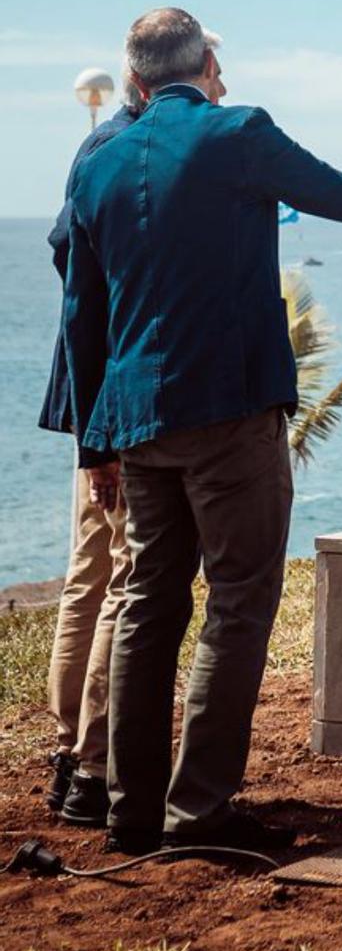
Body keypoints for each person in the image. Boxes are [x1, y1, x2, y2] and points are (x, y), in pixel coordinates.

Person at [62, 8, 342, 856]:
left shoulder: (95, 160)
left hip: (135, 420)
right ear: (208, 61)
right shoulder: (238, 132)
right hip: (230, 413)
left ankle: (131, 813)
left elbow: (83, 316)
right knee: (240, 605)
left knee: (145, 606)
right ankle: (199, 815)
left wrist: (93, 446)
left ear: (135, 82)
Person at [40, 64, 149, 824]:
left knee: (93, 569)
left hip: (92, 391)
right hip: (109, 394)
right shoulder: (120, 148)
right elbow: (68, 251)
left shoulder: (103, 145)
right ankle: (87, 755)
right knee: (115, 574)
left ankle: (67, 741)